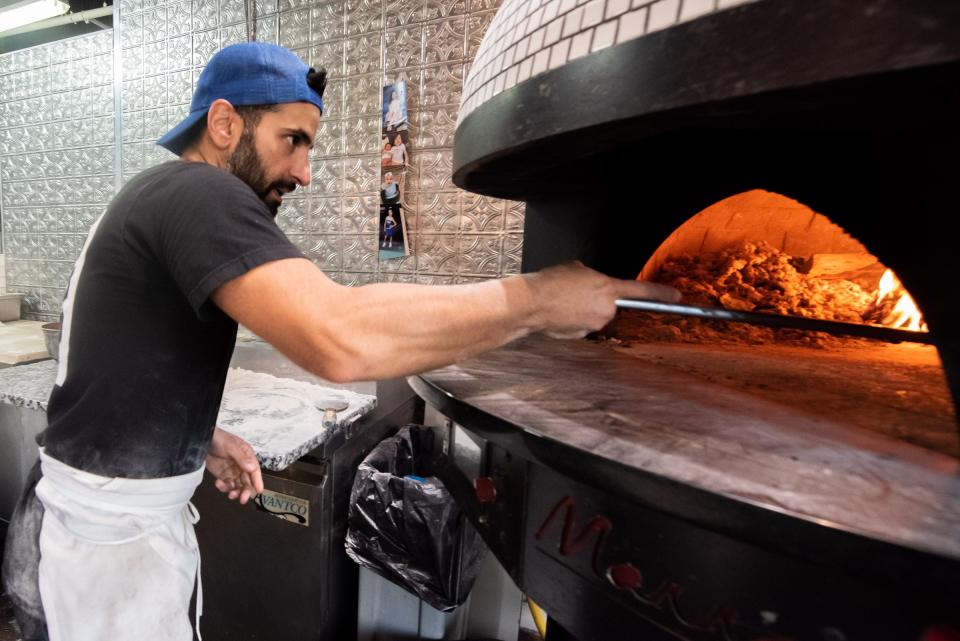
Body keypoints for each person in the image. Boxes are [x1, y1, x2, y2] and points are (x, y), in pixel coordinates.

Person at [0, 42, 679, 641]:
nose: (303, 172)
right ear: (224, 122)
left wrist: (199, 437)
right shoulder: (198, 192)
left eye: (310, 148)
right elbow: (341, 334)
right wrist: (536, 299)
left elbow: (111, 363)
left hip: (89, 530)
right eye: (292, 139)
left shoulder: (153, 196)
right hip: (102, 555)